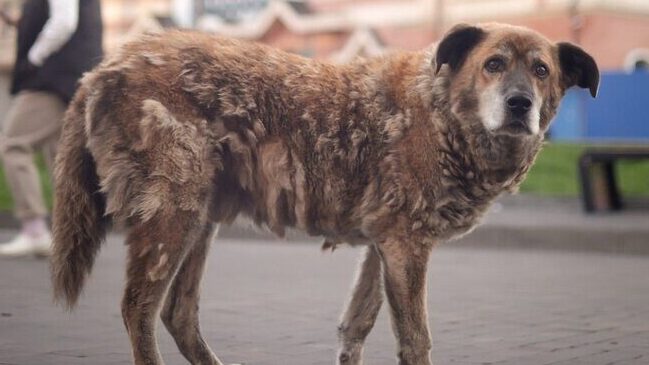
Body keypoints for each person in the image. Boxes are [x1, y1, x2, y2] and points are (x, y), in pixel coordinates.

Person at [0, 0, 103, 257]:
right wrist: (21, 23)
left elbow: (64, 22)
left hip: (52, 79)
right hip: (72, 77)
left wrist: (34, 57)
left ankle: (35, 229)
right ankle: (69, 237)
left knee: (14, 144)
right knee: (61, 156)